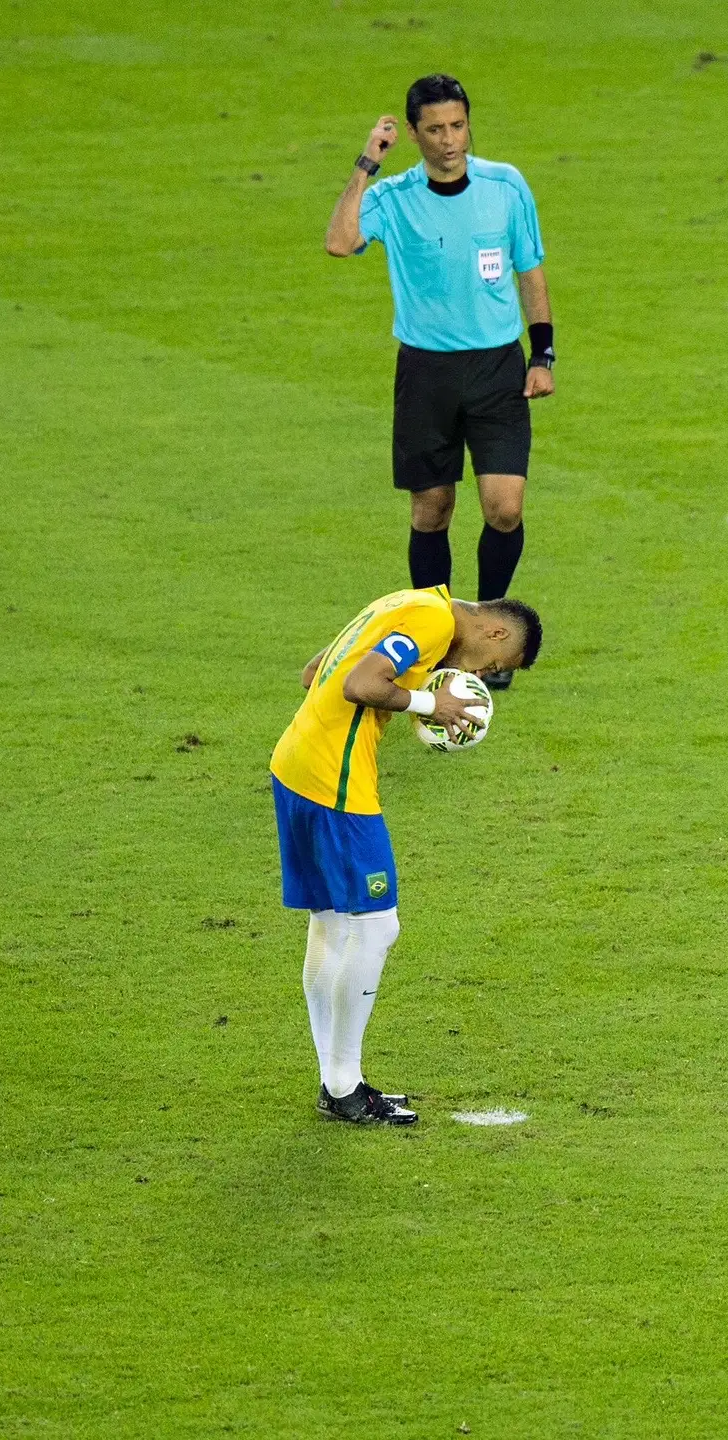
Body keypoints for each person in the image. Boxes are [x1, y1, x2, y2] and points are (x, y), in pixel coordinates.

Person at [270, 584, 543, 1124]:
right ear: (493, 631)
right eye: (495, 666)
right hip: (335, 784)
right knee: (375, 927)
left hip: (294, 766)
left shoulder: (405, 602)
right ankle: (345, 1086)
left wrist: (417, 690)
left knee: (331, 925)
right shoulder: (434, 622)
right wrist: (429, 701)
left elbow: (314, 672)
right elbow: (360, 684)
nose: (485, 676)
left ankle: (337, 1083)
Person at [324, 74, 555, 692]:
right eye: (435, 130)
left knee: (504, 509)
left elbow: (529, 269)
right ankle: (435, 635)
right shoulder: (394, 198)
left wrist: (544, 353)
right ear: (416, 133)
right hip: (426, 372)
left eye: (458, 126)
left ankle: (485, 636)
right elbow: (339, 242)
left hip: (498, 367)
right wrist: (366, 164)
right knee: (433, 509)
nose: (449, 140)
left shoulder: (505, 186)